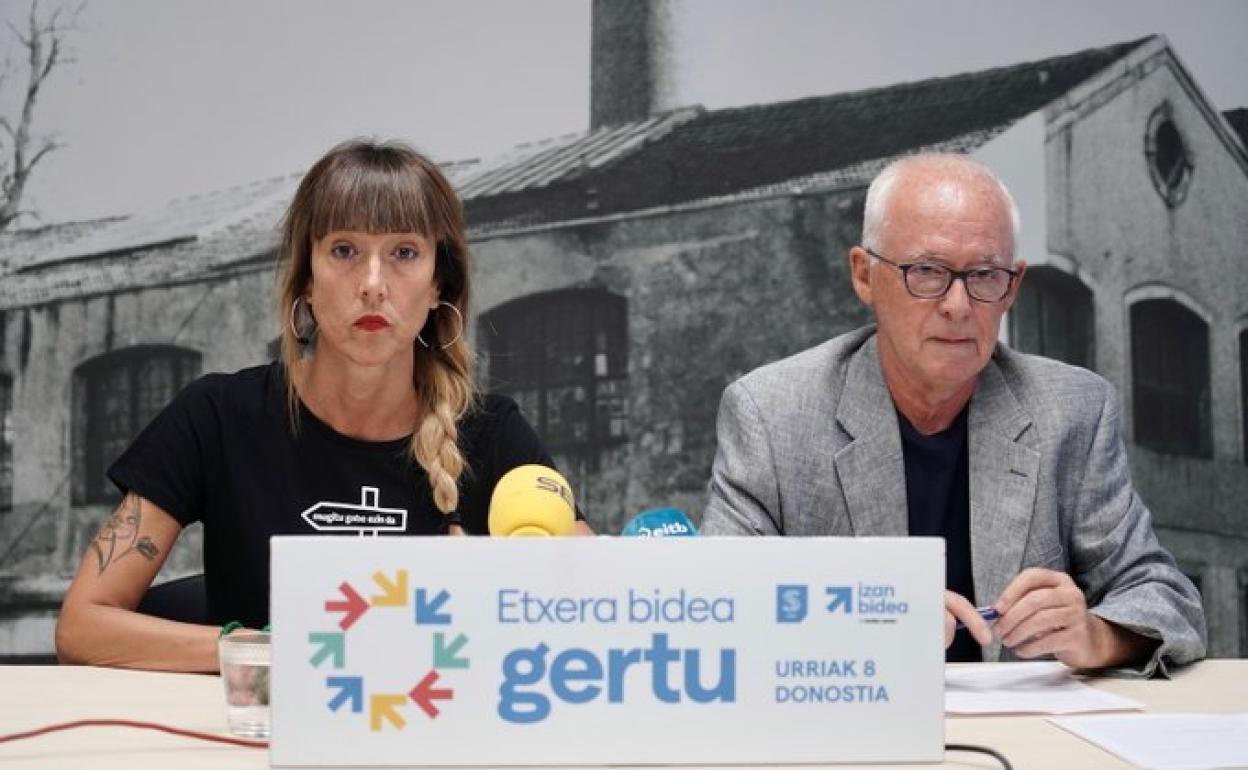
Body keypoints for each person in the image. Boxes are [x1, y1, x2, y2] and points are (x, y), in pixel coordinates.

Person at [56, 139, 593, 672]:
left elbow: (598, 613)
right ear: (307, 280)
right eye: (344, 251)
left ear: (438, 285)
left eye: (405, 253)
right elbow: (84, 626)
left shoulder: (494, 436)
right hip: (255, 724)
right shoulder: (217, 415)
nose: (373, 285)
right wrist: (272, 651)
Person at [701, 153, 1205, 674]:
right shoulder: (772, 414)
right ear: (864, 275)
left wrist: (1096, 634)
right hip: (852, 711)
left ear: (1013, 286)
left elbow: (1168, 600)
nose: (958, 306)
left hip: (1024, 722)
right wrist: (864, 621)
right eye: (927, 272)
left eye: (985, 275)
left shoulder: (1072, 410)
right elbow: (714, 607)